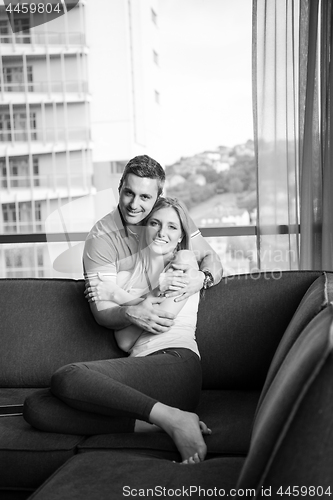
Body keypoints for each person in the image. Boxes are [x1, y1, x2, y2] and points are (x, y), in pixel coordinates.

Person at [40, 197, 211, 464]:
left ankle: (176, 418)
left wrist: (118, 295)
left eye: (172, 227)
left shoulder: (183, 268)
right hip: (141, 375)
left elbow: (160, 319)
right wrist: (129, 295)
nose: (162, 232)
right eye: (155, 223)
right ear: (144, 228)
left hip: (176, 366)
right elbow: (124, 340)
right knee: (38, 409)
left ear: (180, 237)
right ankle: (161, 422)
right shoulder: (126, 276)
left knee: (68, 376)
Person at [83, 155, 223, 337]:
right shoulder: (101, 238)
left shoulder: (169, 215)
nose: (134, 204)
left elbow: (211, 259)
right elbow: (103, 312)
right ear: (120, 187)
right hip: (129, 338)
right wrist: (132, 313)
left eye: (145, 197)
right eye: (129, 193)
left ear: (158, 197)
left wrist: (202, 278)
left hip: (175, 332)